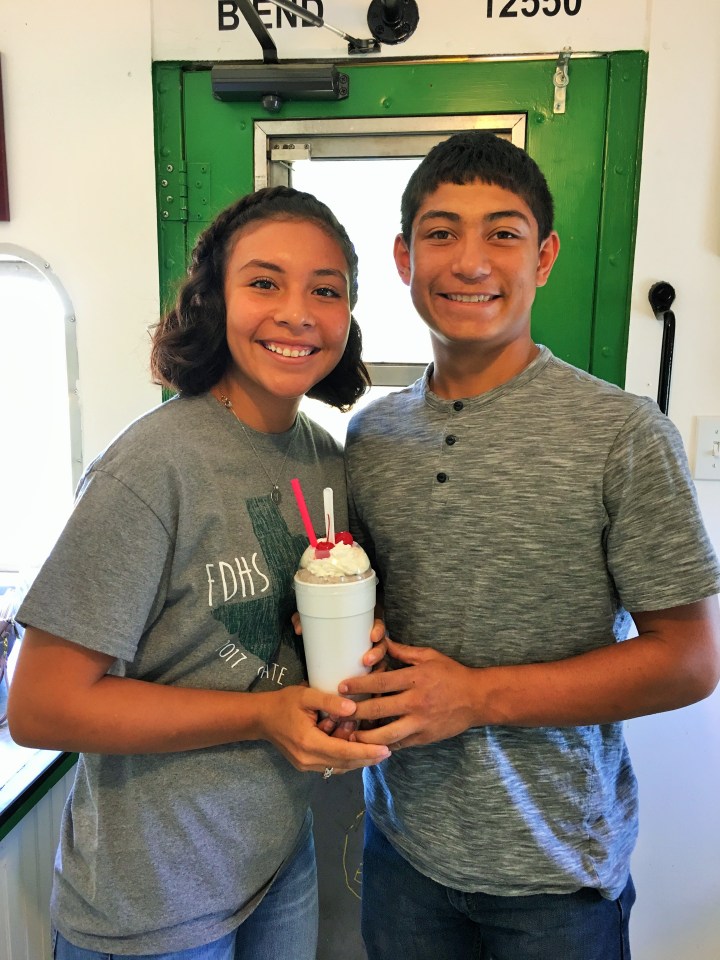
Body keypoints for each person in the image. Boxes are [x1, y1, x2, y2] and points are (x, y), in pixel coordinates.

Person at [339, 132, 720, 960]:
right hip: (402, 851)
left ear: (543, 257)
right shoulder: (371, 437)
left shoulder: (621, 433)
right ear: (404, 258)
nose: (470, 261)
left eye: (503, 233)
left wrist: (477, 696)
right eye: (441, 233)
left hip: (557, 878)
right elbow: (379, 614)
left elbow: (690, 660)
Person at [8, 185, 391, 960]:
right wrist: (262, 715)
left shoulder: (322, 457)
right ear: (214, 301)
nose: (297, 313)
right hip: (153, 902)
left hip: (275, 861)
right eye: (264, 282)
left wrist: (357, 647)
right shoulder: (153, 467)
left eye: (326, 290)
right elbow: (40, 707)